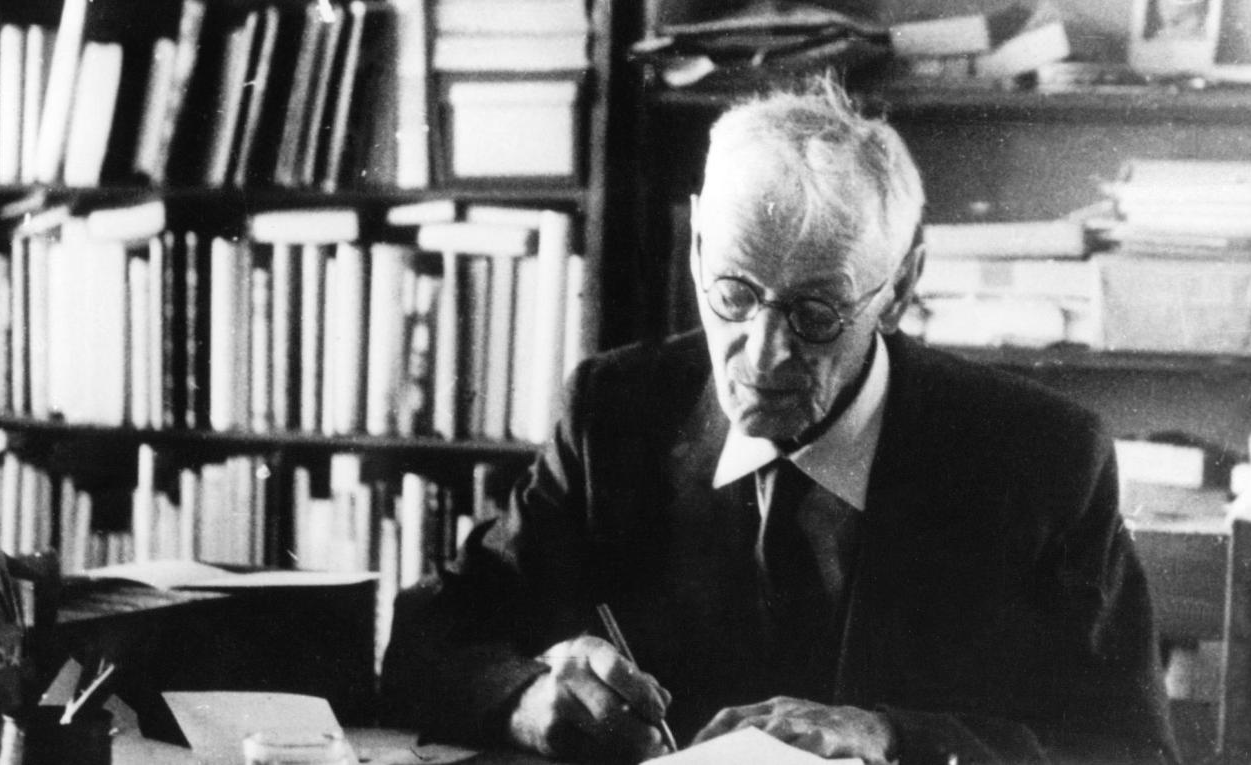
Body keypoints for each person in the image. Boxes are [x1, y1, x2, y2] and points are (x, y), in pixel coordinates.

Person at [383, 79, 1176, 765]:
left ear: (900, 287)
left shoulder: (1040, 459)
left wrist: (888, 737)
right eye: (733, 293)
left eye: (816, 314)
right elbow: (423, 640)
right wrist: (527, 699)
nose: (763, 355)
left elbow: (1129, 750)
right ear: (696, 245)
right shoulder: (613, 414)